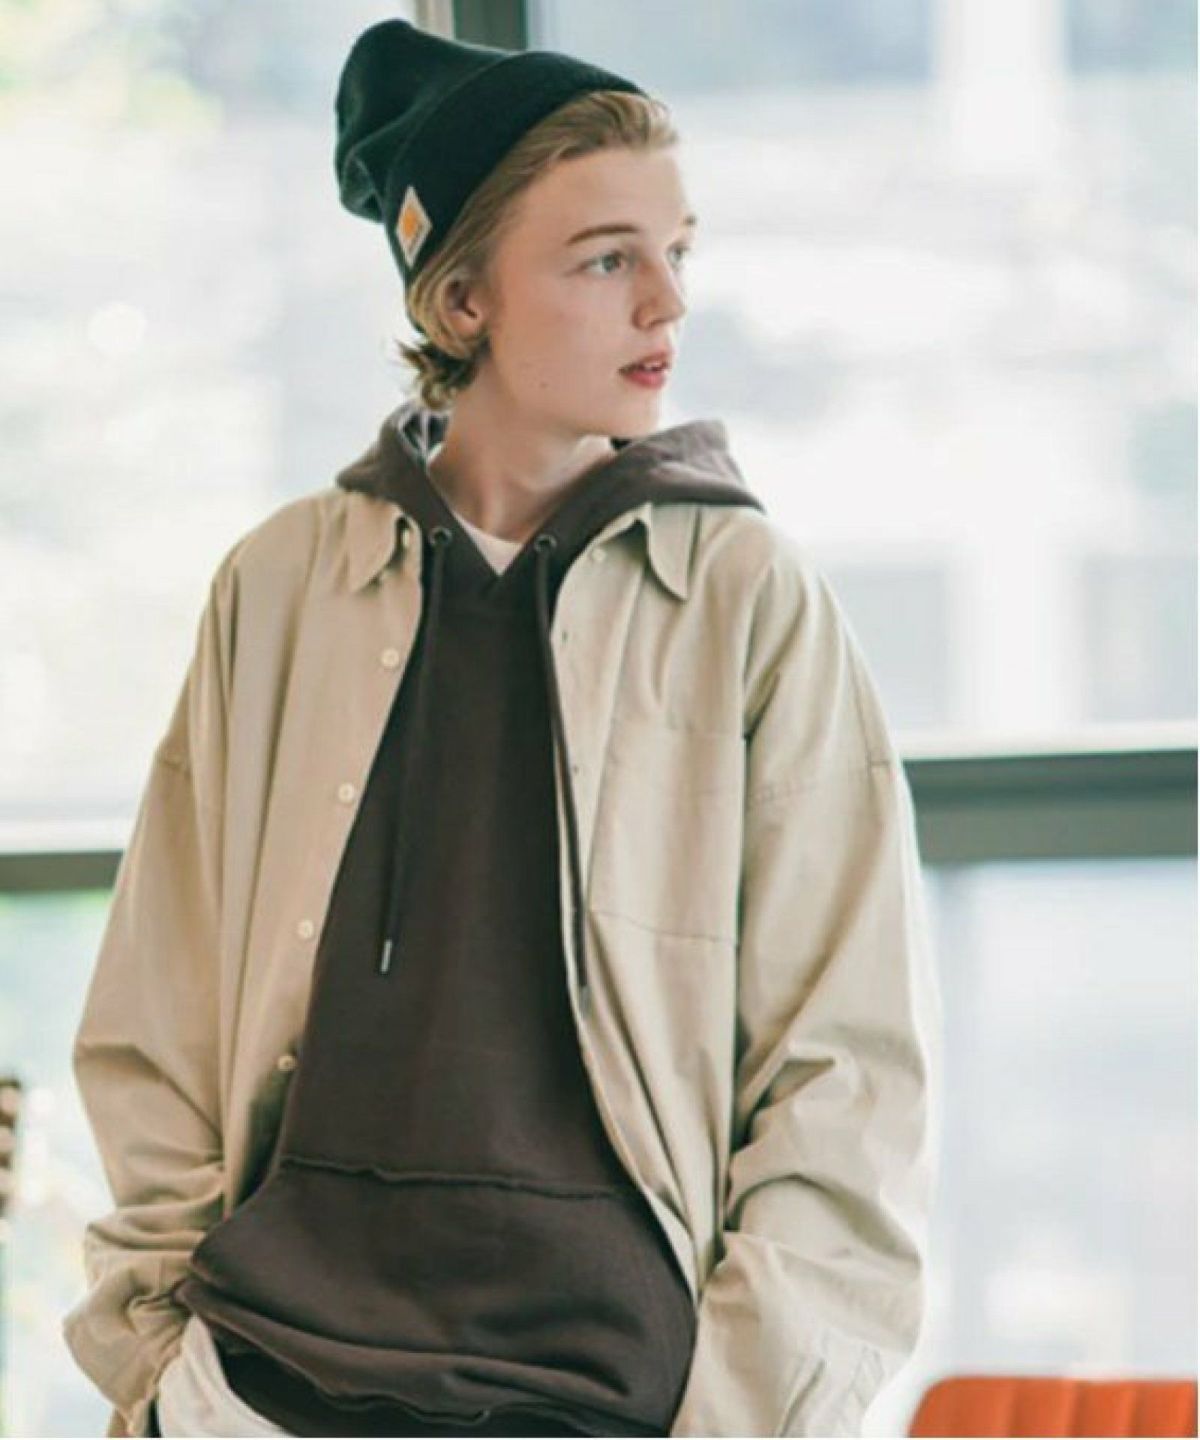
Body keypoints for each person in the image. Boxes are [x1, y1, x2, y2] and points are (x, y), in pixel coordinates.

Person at [62, 17, 942, 1439]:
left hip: (616, 1399)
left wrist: (740, 1416)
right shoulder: (282, 587)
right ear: (462, 298)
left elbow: (849, 1074)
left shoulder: (746, 598)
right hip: (266, 1387)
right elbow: (155, 1016)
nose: (667, 302)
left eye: (678, 251)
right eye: (605, 259)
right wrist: (168, 1370)